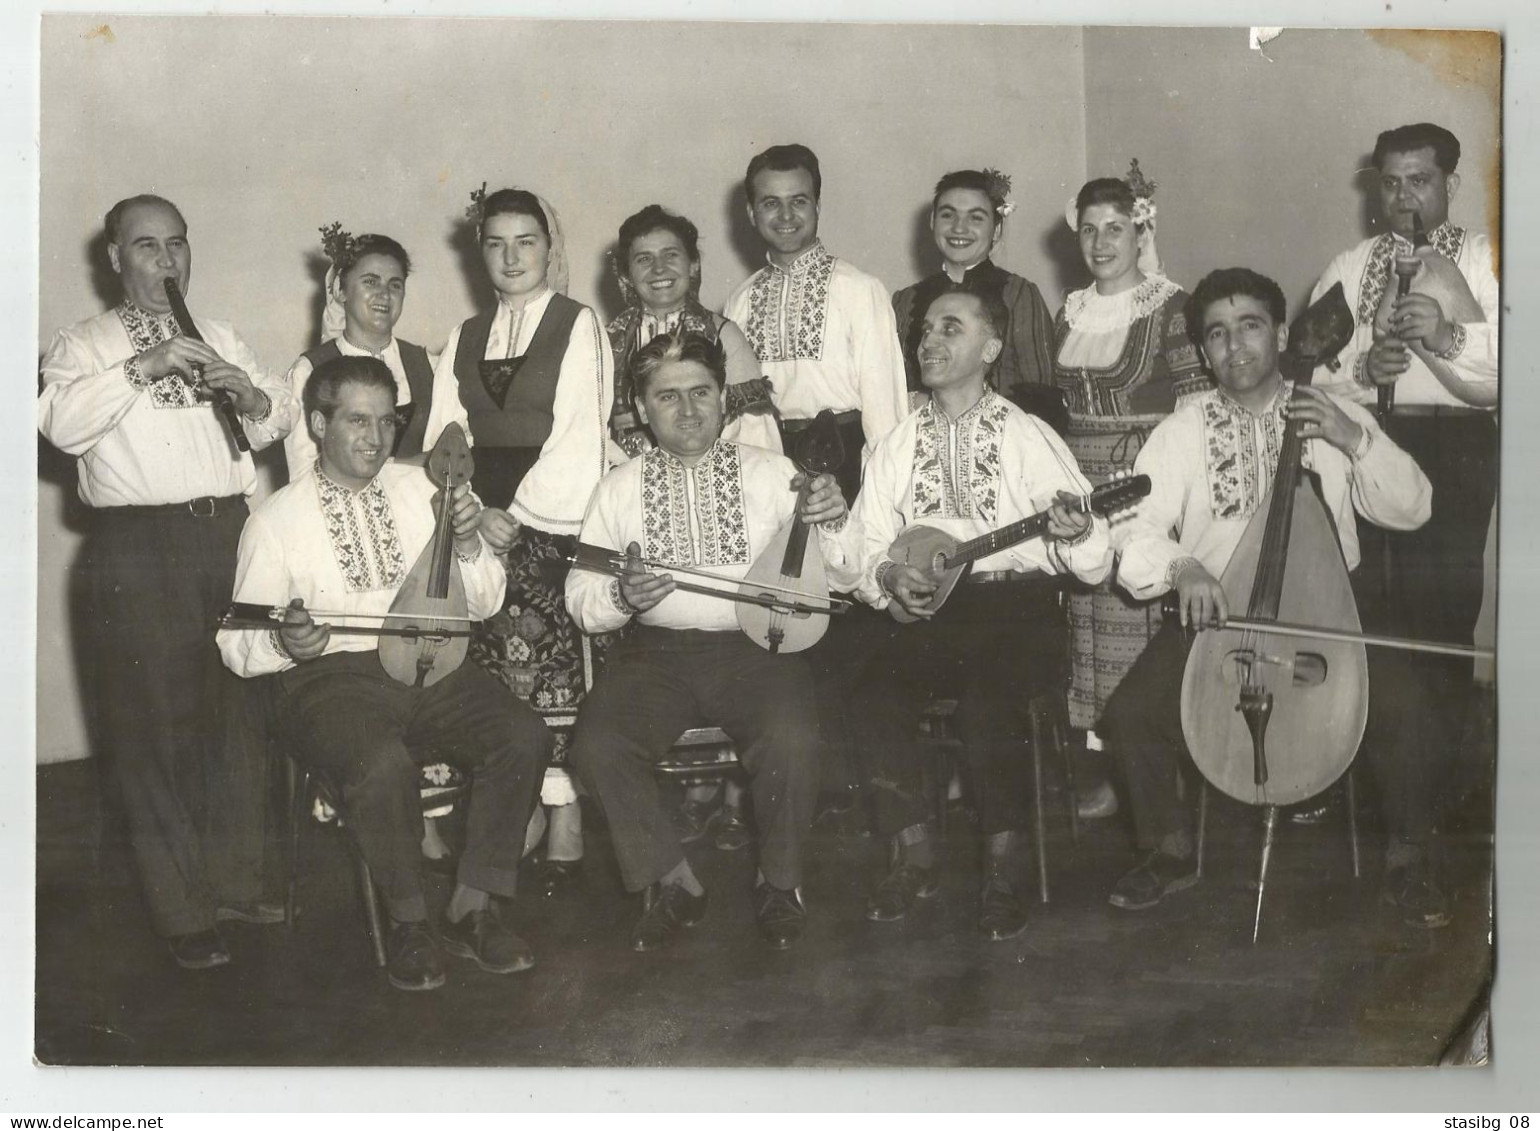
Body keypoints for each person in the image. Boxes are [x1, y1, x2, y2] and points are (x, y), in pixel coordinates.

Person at [1101, 268, 1444, 926]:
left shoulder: (1334, 407)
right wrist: (1183, 568)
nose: (1236, 346)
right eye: (1218, 335)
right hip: (1223, 613)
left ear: (1283, 334)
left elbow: (1415, 506)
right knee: (1132, 713)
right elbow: (1134, 527)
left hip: (1330, 609)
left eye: (1250, 325)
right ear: (1203, 352)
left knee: (1407, 703)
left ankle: (1410, 859)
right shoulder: (1183, 430)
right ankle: (1169, 851)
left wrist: (1353, 437)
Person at [217, 355, 553, 990]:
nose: (375, 439)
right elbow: (236, 644)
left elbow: (482, 603)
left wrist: (474, 543)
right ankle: (408, 923)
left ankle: (472, 906)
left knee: (523, 734)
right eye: (356, 420)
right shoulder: (273, 521)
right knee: (379, 762)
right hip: (326, 681)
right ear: (317, 424)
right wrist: (288, 643)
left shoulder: (423, 489)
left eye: (387, 422)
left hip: (429, 661)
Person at [38, 194, 299, 970]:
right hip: (137, 547)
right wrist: (142, 366)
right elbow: (57, 423)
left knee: (240, 707)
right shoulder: (82, 342)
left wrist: (249, 397)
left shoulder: (215, 333)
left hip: (228, 533)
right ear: (113, 257)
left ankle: (237, 879)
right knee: (151, 731)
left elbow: (272, 415)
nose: (166, 261)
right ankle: (182, 909)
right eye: (146, 246)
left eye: (177, 244)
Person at [566, 329, 860, 952]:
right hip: (656, 656)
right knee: (594, 743)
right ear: (642, 409)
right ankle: (674, 879)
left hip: (757, 651)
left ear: (725, 397)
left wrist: (832, 519)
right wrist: (622, 597)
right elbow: (582, 600)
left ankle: (780, 883)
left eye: (701, 392)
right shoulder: (616, 488)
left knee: (793, 736)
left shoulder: (777, 474)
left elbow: (843, 575)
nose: (689, 409)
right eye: (667, 397)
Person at [848, 287, 1112, 941]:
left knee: (988, 697)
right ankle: (914, 851)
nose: (929, 341)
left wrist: (1076, 532)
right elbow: (857, 545)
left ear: (991, 350)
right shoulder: (897, 442)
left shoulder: (1027, 434)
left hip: (1015, 611)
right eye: (926, 329)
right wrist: (885, 572)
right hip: (934, 611)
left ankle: (1006, 859)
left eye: (952, 328)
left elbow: (1095, 559)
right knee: (872, 692)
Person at [422, 187, 617, 894]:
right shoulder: (465, 337)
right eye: (497, 243)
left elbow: (579, 436)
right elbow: (446, 437)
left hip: (552, 520)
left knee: (551, 663)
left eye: (525, 241)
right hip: (481, 516)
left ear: (548, 247)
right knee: (491, 667)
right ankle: (517, 805)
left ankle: (561, 813)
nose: (512, 257)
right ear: (482, 253)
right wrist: (474, 508)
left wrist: (519, 515)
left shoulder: (578, 323)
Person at [1307, 123, 1498, 796]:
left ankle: (1440, 788)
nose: (1403, 195)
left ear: (1449, 181)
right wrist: (1363, 365)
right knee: (1365, 605)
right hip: (1367, 441)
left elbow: (1506, 371)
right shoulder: (1351, 266)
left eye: (1419, 180)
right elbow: (1308, 369)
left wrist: (1444, 335)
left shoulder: (1485, 256)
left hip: (1457, 444)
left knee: (1441, 607)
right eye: (1391, 182)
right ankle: (1366, 776)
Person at [1051, 163, 1210, 811]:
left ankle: (1153, 774)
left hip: (1145, 483)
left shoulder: (1172, 307)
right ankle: (1112, 771)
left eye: (1115, 227)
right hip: (1080, 487)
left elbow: (1198, 408)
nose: (1100, 242)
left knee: (1137, 626)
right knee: (1085, 628)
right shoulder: (1070, 311)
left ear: (1140, 229)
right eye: (1089, 229)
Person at [723, 143, 907, 504]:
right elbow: (737, 421)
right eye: (770, 202)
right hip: (769, 466)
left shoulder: (859, 289)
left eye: (799, 200)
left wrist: (883, 501)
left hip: (846, 461)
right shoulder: (739, 301)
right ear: (751, 212)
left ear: (818, 206)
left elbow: (885, 413)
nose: (786, 215)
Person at [608, 203, 780, 458]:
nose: (659, 269)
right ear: (626, 274)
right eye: (644, 259)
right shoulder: (606, 341)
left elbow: (754, 441)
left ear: (692, 265)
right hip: (626, 478)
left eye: (671, 255)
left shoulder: (723, 335)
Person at [892, 168, 1056, 407]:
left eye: (976, 217)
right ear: (932, 222)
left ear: (996, 230)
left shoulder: (1019, 295)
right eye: (948, 215)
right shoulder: (906, 301)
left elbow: (1042, 399)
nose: (959, 228)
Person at [283, 227, 438, 478]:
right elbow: (302, 474)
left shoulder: (428, 365)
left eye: (395, 285)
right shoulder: (308, 371)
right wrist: (413, 465)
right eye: (370, 281)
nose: (384, 294)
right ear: (341, 291)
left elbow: (448, 457)